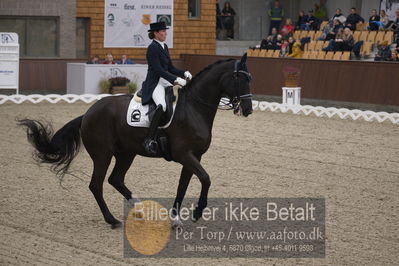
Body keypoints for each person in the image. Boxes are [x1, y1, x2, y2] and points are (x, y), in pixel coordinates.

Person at [141, 22, 192, 154]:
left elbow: (170, 68)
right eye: (163, 31)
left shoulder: (164, 46)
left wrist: (183, 73)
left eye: (165, 31)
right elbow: (158, 69)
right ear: (156, 33)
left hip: (165, 81)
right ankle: (149, 139)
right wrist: (175, 79)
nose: (165, 33)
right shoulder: (152, 48)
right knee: (162, 105)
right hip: (155, 82)